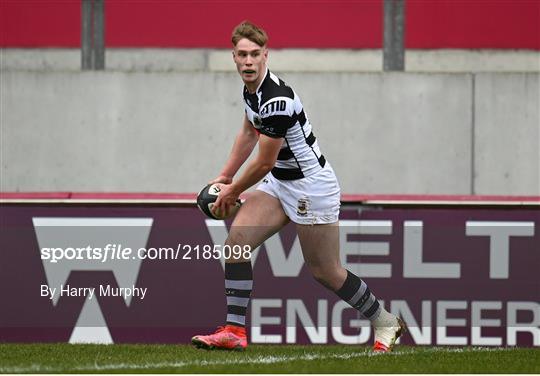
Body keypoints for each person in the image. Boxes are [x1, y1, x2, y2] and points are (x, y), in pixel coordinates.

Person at [191, 21, 406, 352]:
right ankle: (235, 331)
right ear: (233, 57)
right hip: (281, 182)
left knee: (325, 272)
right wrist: (224, 177)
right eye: (242, 55)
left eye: (254, 55)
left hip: (311, 188)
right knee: (236, 243)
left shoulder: (277, 99)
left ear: (266, 55)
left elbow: (263, 161)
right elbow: (249, 132)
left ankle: (385, 322)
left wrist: (232, 192)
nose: (248, 62)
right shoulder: (251, 91)